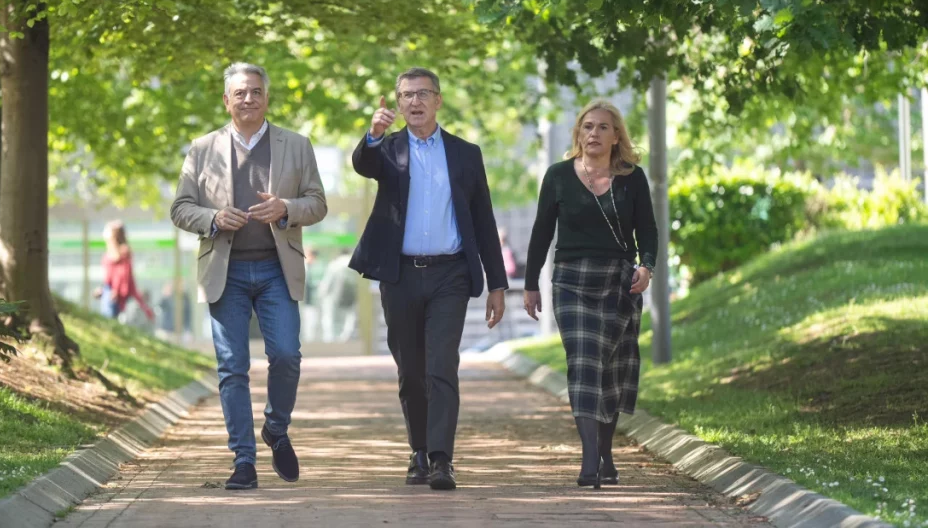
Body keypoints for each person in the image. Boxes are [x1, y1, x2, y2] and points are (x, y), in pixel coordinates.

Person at [170, 62, 327, 491]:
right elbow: (180, 208)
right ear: (227, 100)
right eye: (240, 93)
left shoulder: (296, 145)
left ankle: (276, 428)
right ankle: (244, 460)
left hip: (278, 269)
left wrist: (287, 209)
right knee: (232, 366)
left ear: (266, 97)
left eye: (256, 91)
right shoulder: (202, 149)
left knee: (287, 356)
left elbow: (318, 203)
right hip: (227, 271)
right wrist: (214, 217)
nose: (248, 99)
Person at [349, 67, 508, 490]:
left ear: (438, 100)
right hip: (399, 275)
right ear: (397, 104)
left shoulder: (465, 153)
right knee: (411, 371)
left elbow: (483, 219)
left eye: (423, 94)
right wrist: (372, 135)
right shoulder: (387, 149)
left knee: (442, 366)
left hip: (449, 274)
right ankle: (417, 451)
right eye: (406, 95)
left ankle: (441, 459)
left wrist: (497, 284)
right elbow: (362, 165)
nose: (414, 102)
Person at [522, 99, 657, 489]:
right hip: (571, 281)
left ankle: (606, 453)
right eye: (587, 127)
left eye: (602, 127)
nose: (593, 134)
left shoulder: (633, 178)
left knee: (611, 370)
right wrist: (530, 284)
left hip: (619, 280)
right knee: (584, 363)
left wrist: (646, 266)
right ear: (578, 134)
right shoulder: (559, 176)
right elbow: (541, 232)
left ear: (617, 137)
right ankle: (589, 459)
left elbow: (647, 229)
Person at [96, 220, 155, 324]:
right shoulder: (109, 252)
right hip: (108, 290)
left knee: (112, 320)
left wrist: (116, 290)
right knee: (107, 320)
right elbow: (108, 276)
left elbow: (123, 274)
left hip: (116, 293)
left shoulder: (124, 252)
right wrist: (102, 288)